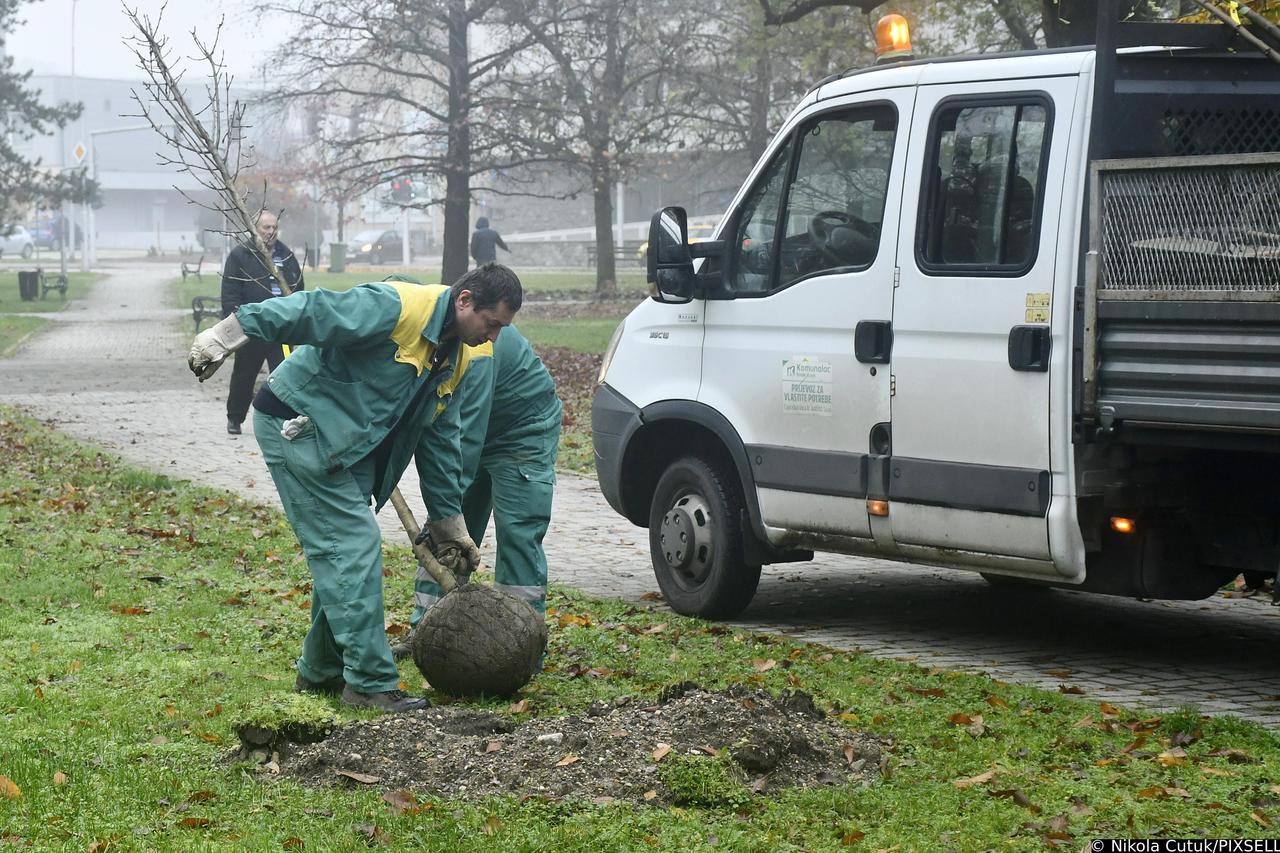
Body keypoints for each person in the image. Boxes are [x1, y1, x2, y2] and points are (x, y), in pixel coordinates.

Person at [187, 263, 523, 712]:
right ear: (465, 301)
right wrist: (229, 334)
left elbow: (442, 439)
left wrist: (449, 525)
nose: (494, 337)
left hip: (350, 441)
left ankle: (322, 670)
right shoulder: (395, 307)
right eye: (492, 323)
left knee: (348, 557)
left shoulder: (457, 355)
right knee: (354, 547)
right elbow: (313, 309)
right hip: (299, 423)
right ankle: (368, 684)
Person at [395, 323, 561, 658]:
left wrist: (446, 510)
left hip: (522, 432)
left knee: (516, 534)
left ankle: (522, 644)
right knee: (448, 532)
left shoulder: (476, 347)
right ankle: (426, 631)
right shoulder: (417, 329)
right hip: (475, 428)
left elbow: (465, 439)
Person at [220, 212, 305, 435]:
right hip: (254, 329)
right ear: (255, 229)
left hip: (282, 331)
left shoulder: (286, 256)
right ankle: (235, 418)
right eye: (266, 227)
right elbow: (230, 293)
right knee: (244, 375)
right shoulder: (241, 255)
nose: (270, 232)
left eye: (274, 227)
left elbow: (298, 288)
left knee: (287, 375)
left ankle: (287, 419)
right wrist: (237, 321)